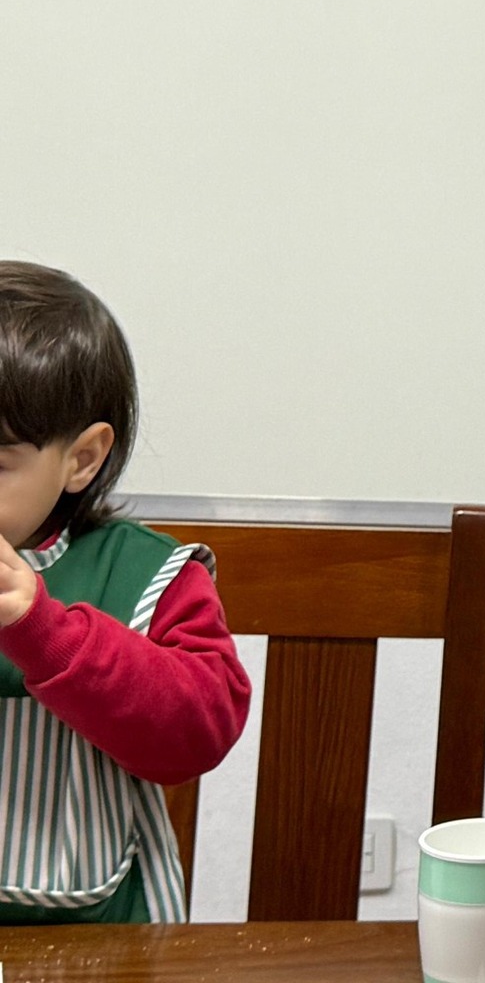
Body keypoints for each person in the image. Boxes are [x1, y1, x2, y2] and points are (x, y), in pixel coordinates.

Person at [0, 261, 250, 922]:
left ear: (81, 459)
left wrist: (43, 633)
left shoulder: (145, 575)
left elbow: (198, 734)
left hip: (100, 932)